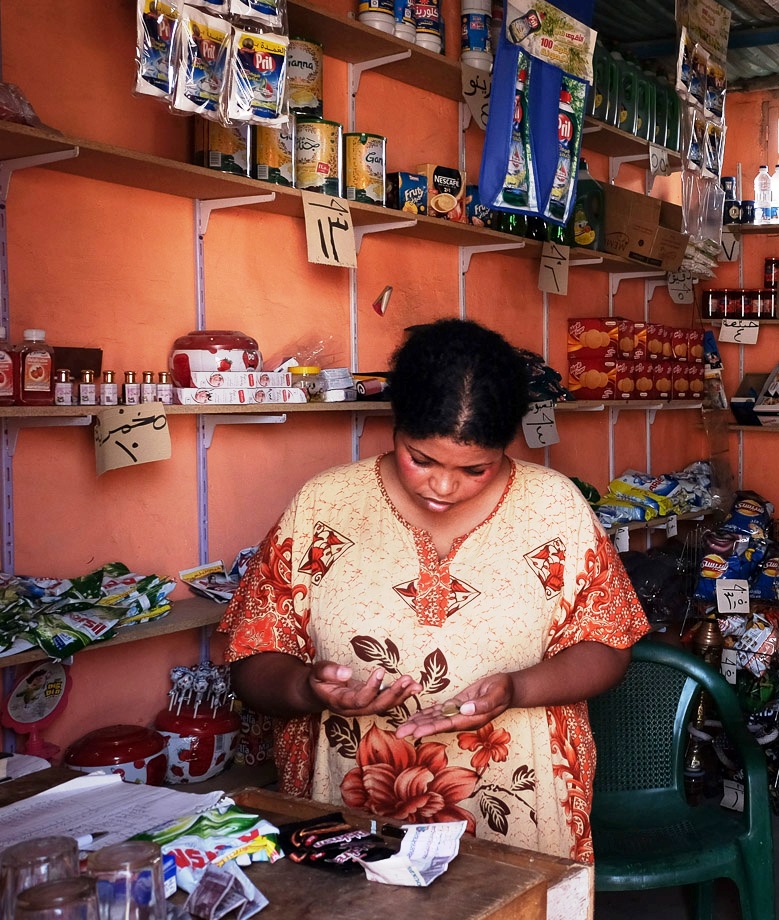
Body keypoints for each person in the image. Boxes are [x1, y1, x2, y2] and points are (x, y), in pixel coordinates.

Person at [220, 319, 650, 864]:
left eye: (475, 470)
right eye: (421, 460)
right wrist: (308, 689)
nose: (443, 487)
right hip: (350, 817)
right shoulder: (323, 506)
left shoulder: (554, 508)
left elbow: (608, 646)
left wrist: (516, 690)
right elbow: (251, 658)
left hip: (518, 819)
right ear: (395, 426)